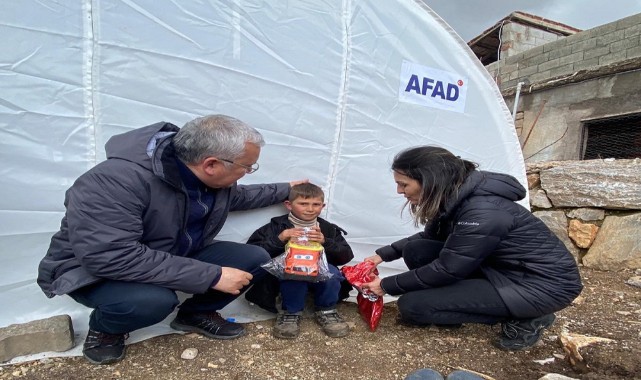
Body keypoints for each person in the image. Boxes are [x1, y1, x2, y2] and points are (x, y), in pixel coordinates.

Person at [37, 114, 306, 365]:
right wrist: (211, 276)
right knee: (154, 301)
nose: (248, 172)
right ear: (211, 164)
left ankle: (195, 314)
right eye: (247, 167)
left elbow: (241, 197)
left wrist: (289, 189)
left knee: (255, 258)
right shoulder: (113, 182)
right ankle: (106, 328)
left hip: (167, 253)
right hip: (95, 272)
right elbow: (110, 256)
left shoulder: (207, 179)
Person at [361, 146, 583, 351]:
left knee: (413, 306)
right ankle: (461, 304)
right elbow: (429, 238)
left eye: (404, 184)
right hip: (502, 270)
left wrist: (386, 285)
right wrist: (382, 255)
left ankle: (529, 317)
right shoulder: (454, 198)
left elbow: (448, 269)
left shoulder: (483, 211)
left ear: (429, 180)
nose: (399, 191)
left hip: (542, 285)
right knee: (416, 250)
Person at [244, 183, 354, 339]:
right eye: (303, 203)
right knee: (294, 272)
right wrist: (280, 238)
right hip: (286, 272)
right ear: (288, 205)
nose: (310, 209)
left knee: (333, 274)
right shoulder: (276, 226)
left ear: (322, 206)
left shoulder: (327, 229)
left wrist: (326, 241)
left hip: (319, 269)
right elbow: (253, 252)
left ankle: (327, 309)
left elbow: (346, 256)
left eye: (316, 204)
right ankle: (290, 312)